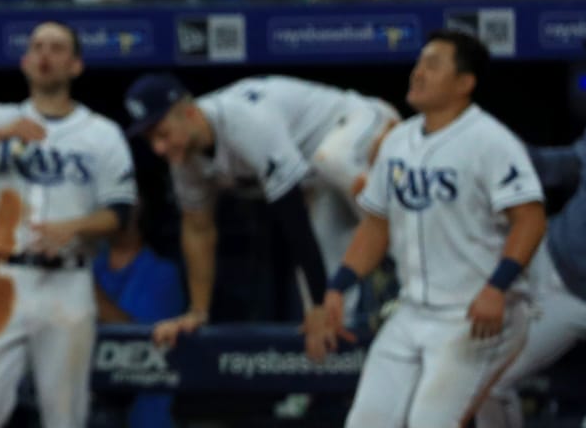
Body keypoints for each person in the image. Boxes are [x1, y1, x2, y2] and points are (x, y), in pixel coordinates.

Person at [306, 30, 547, 426]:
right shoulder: (397, 141)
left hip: (474, 312)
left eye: (433, 66)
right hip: (413, 310)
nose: (418, 73)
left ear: (464, 83)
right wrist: (339, 285)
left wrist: (497, 286)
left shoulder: (491, 140)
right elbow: (376, 226)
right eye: (419, 63)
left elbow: (531, 219)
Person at [0, 22, 138, 428]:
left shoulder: (101, 134)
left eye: (58, 48)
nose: (46, 55)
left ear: (76, 65)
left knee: (65, 417)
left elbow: (120, 211)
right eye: (38, 47)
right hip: (5, 278)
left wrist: (76, 226)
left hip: (69, 281)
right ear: (26, 62)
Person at [123, 73, 400, 348]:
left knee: (331, 160)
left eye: (163, 134)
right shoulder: (184, 160)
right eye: (151, 140)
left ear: (190, 113)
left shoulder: (244, 123)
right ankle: (339, 380)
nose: (159, 148)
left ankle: (397, 262)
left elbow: (294, 219)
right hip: (320, 181)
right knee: (328, 311)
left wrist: (316, 303)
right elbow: (198, 229)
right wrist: (198, 311)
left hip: (363, 122)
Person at [475, 24, 586, 427]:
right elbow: (569, 164)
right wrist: (509, 154)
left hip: (584, 295)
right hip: (549, 255)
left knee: (487, 382)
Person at [92, 214, 183, 428]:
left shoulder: (162, 273)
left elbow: (136, 340)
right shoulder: (95, 266)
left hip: (141, 412)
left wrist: (83, 286)